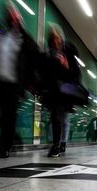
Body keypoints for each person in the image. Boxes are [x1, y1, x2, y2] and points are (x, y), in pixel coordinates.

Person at [0, 3, 38, 158]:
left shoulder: (23, 39)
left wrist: (21, 28)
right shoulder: (0, 35)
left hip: (13, 84)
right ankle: (12, 137)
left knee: (8, 116)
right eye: (10, 15)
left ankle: (4, 147)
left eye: (15, 16)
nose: (12, 17)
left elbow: (34, 52)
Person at [43, 24, 80, 157]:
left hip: (66, 92)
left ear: (61, 38)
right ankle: (56, 145)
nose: (56, 41)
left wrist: (66, 66)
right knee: (55, 117)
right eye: (53, 39)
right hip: (54, 92)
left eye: (57, 38)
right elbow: (45, 74)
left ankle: (59, 144)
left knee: (62, 118)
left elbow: (75, 73)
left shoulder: (68, 53)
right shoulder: (49, 54)